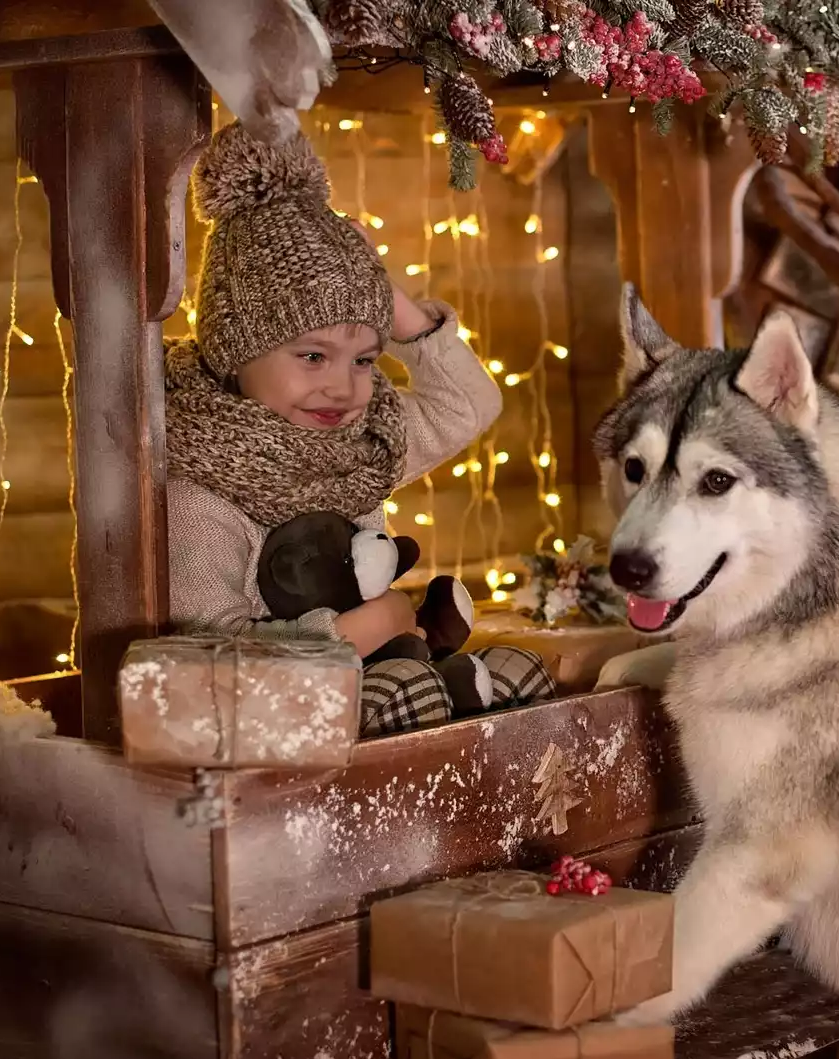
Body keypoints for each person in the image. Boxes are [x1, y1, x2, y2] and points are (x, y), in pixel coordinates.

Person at [164, 120, 552, 733]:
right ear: (235, 350)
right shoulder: (199, 496)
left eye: (365, 360)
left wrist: (400, 312)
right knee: (412, 694)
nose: (344, 387)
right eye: (312, 356)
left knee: (515, 676)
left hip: (388, 675)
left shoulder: (361, 445)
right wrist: (360, 628)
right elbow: (210, 659)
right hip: (282, 737)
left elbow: (469, 406)